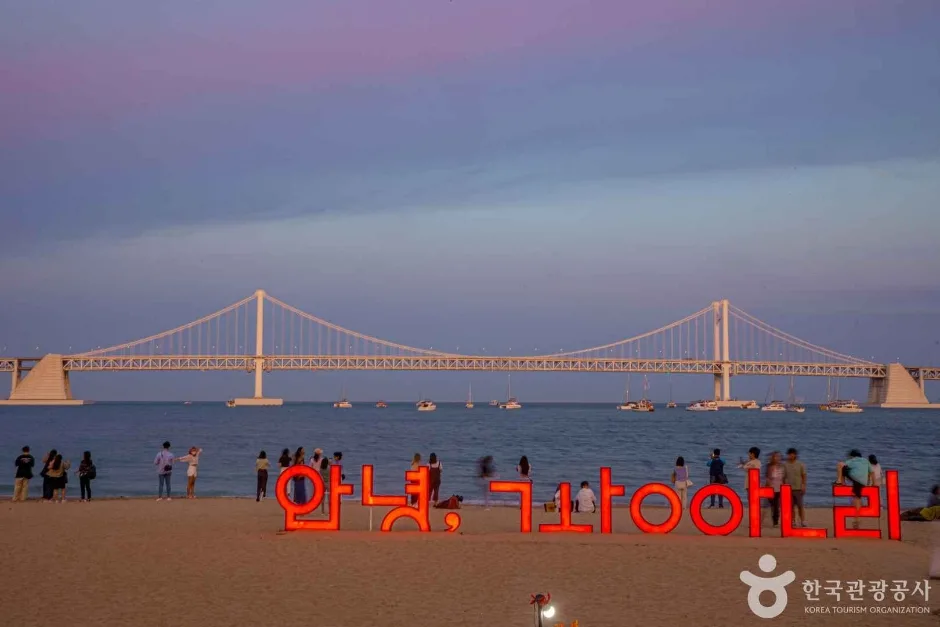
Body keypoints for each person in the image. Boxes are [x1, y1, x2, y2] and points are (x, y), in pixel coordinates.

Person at [836, 449, 872, 530]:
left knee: (840, 464)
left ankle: (840, 481)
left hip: (856, 480)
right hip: (862, 482)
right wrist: (870, 483)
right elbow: (871, 472)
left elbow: (844, 465)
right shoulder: (865, 461)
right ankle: (856, 519)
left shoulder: (852, 460)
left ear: (852, 456)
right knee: (857, 498)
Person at [783, 448, 808, 527]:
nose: (791, 456)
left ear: (795, 455)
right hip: (788, 488)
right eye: (789, 454)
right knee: (791, 506)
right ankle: (793, 520)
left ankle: (803, 520)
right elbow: (783, 477)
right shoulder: (785, 465)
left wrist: (803, 485)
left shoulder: (800, 464)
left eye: (792, 454)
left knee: (800, 506)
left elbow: (804, 475)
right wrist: (784, 486)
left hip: (798, 488)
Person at [764, 451, 784, 527]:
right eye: (776, 456)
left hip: (780, 488)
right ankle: (774, 520)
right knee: (773, 505)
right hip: (771, 488)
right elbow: (767, 477)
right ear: (773, 458)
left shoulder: (782, 466)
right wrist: (767, 486)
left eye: (779, 456)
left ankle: (775, 522)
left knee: (776, 506)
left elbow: (784, 477)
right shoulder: (769, 466)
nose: (777, 458)